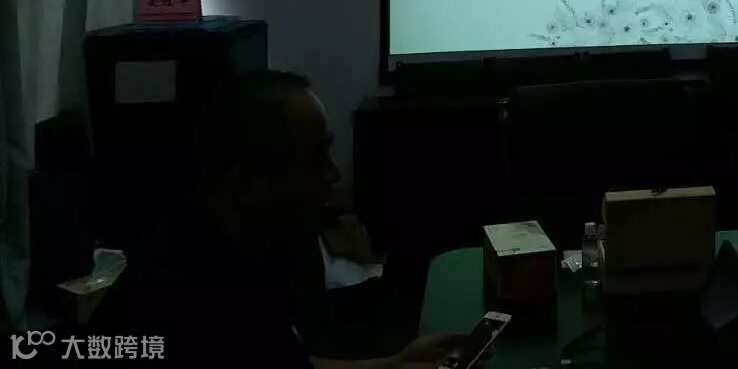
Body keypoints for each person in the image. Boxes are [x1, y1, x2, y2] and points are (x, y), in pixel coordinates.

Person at [89, 70, 463, 368]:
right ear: (246, 183)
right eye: (315, 158)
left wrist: (395, 364)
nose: (334, 174)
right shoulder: (194, 305)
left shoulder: (236, 249)